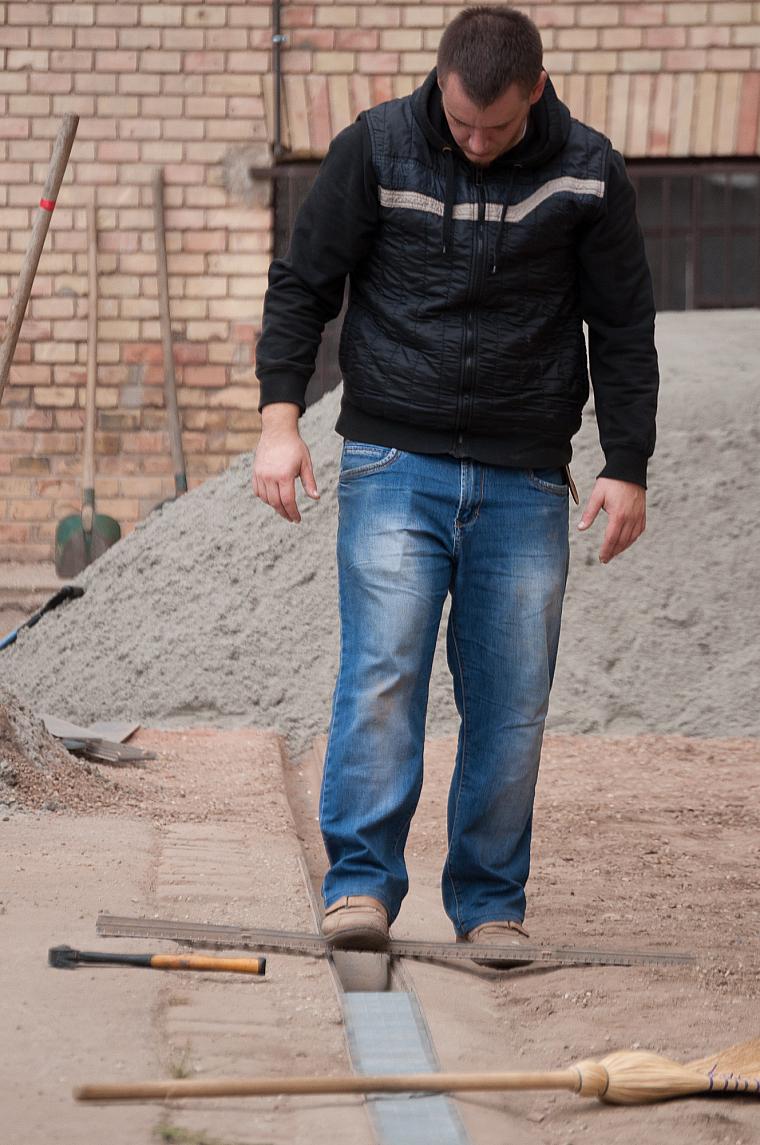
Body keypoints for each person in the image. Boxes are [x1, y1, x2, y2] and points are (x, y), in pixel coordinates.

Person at [252, 6, 658, 964]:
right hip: (394, 461)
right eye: (463, 121)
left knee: (512, 699)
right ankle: (359, 886)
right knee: (383, 675)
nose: (477, 142)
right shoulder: (376, 148)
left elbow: (623, 327)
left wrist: (627, 464)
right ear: (440, 83)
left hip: (526, 475)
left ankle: (489, 904)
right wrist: (278, 420)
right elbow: (303, 283)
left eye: (498, 126)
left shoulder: (590, 172)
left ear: (538, 92)